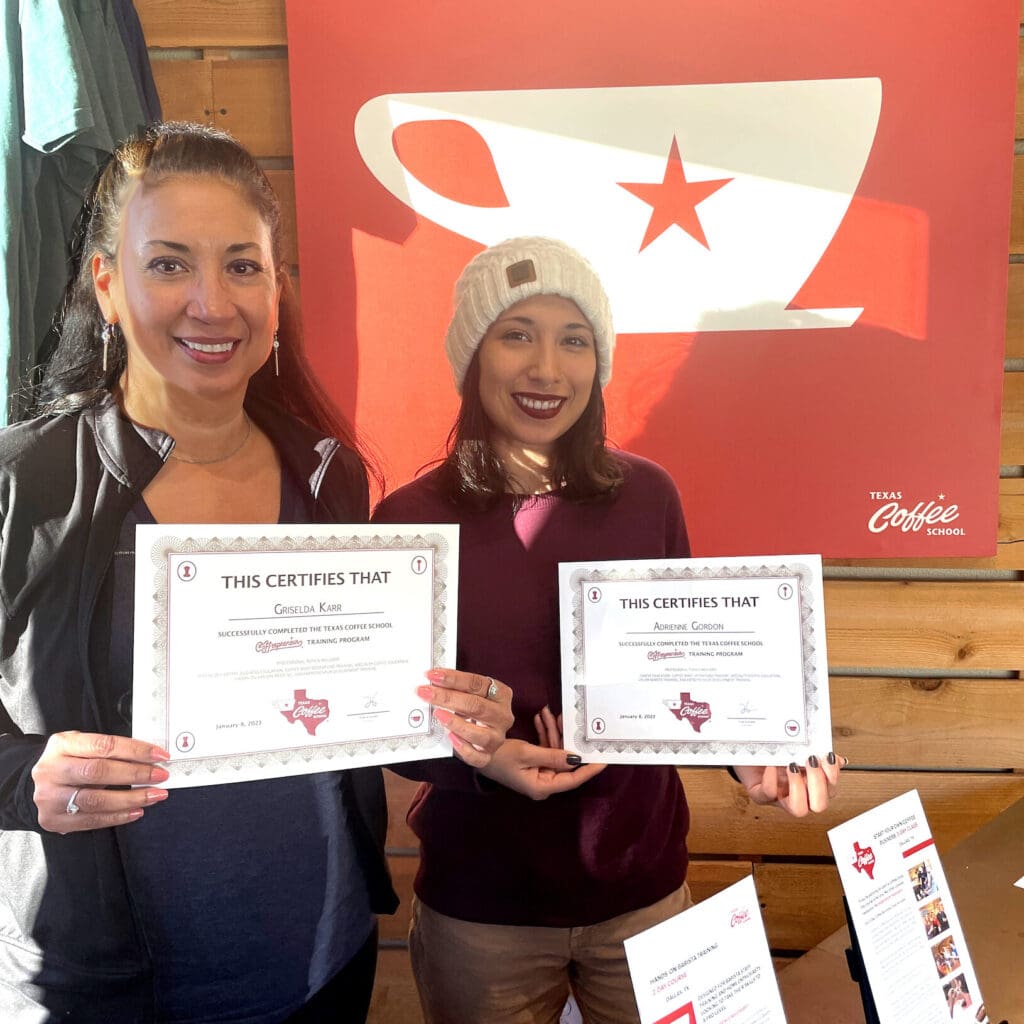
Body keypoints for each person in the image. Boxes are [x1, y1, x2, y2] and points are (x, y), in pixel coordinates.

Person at [0, 122, 512, 1023]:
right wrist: (25, 774)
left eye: (242, 266)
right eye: (168, 264)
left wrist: (454, 722)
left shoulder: (328, 475)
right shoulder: (20, 483)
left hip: (320, 968)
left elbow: (346, 706)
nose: (211, 302)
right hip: (97, 993)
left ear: (276, 292)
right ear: (107, 285)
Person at [373, 237, 845, 1024]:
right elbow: (390, 720)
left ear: (598, 363)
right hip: (483, 907)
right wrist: (484, 762)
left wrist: (751, 755)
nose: (547, 369)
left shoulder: (648, 496)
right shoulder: (408, 519)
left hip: (643, 896)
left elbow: (687, 668)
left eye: (574, 340)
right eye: (517, 334)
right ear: (472, 355)